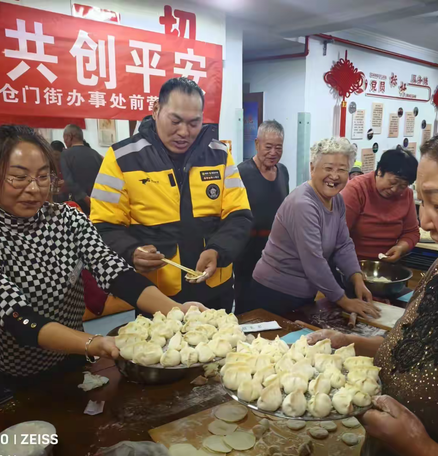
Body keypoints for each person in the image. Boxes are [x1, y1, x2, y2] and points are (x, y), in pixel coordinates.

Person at [308, 116, 438, 456]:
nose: (425, 222)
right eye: (421, 202)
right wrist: (348, 342)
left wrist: (421, 449)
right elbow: (410, 346)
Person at [0, 125, 203, 382]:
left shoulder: (67, 219)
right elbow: (17, 318)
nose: (33, 188)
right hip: (16, 374)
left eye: (43, 177)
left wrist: (177, 311)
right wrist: (96, 343)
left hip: (73, 355)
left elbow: (113, 270)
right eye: (19, 177)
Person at [90, 78, 252, 312]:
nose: (184, 132)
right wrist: (131, 251)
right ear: (156, 110)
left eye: (194, 123)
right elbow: (104, 226)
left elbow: (240, 216)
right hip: (157, 296)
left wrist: (218, 250)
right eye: (175, 121)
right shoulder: (122, 158)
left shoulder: (219, 155)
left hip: (216, 289)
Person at [240, 138, 379, 319]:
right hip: (274, 292)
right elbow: (314, 262)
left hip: (304, 292)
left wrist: (357, 279)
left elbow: (343, 244)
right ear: (312, 168)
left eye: (342, 170)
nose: (335, 176)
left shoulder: (336, 200)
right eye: (328, 168)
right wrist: (344, 301)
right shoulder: (303, 204)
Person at [234, 120, 289, 313]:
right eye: (268, 147)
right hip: (248, 251)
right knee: (247, 304)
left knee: (272, 303)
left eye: (278, 147)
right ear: (257, 144)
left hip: (275, 251)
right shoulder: (241, 172)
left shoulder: (282, 171)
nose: (273, 152)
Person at [342, 149, 419, 262]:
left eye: (402, 186)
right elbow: (340, 234)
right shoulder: (357, 189)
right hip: (353, 262)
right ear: (379, 171)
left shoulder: (407, 194)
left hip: (387, 265)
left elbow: (412, 232)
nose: (394, 189)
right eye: (392, 182)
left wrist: (400, 248)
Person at [61, 124, 103, 216]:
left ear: (69, 136)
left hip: (76, 205)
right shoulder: (95, 154)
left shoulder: (66, 155)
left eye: (64, 138)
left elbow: (69, 181)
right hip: (97, 203)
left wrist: (84, 198)